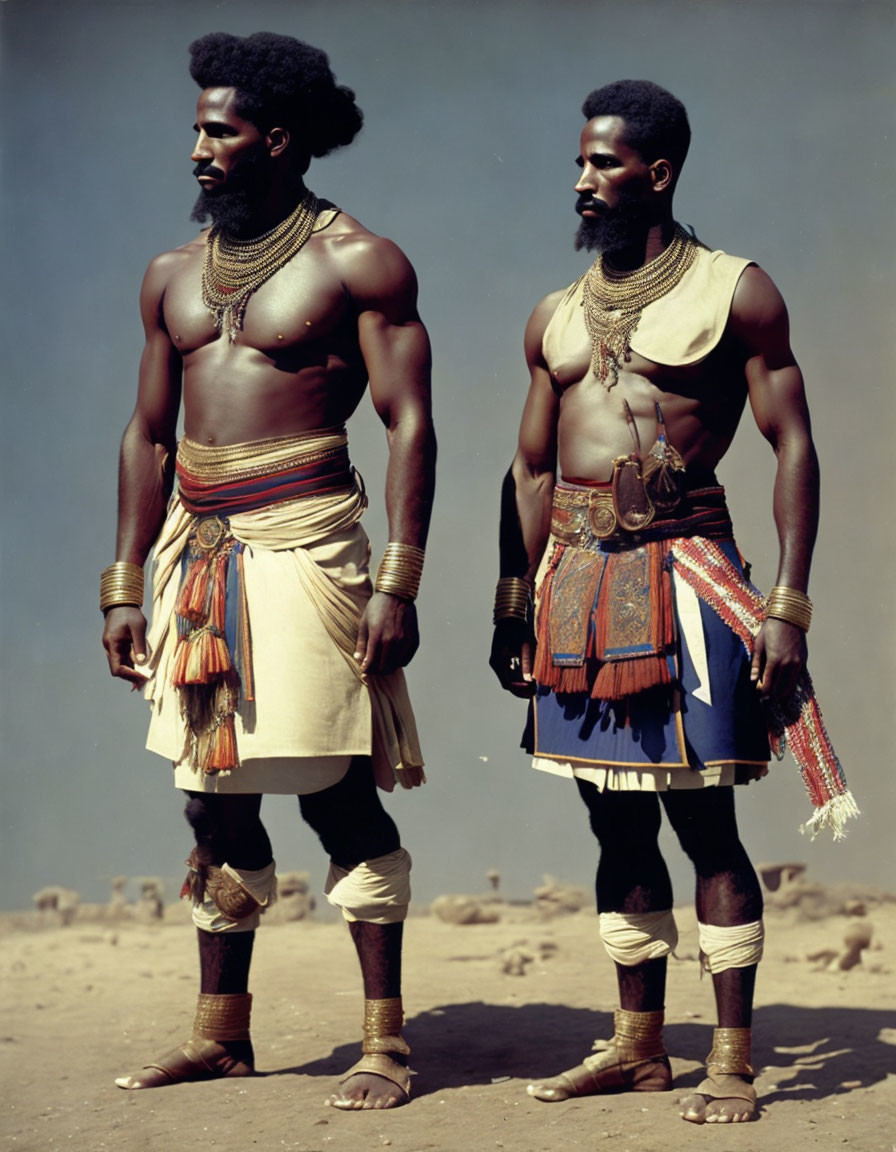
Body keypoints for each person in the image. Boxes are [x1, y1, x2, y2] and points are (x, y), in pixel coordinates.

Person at [490, 79, 852, 1125]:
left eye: (602, 163)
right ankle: (636, 1047)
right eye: (578, 162)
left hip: (685, 574)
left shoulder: (734, 291)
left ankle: (731, 1059)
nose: (581, 181)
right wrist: (512, 601)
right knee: (610, 828)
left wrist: (785, 601)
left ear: (655, 170)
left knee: (705, 825)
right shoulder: (552, 315)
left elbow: (794, 443)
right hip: (571, 587)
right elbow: (525, 471)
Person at [101, 31, 435, 1111]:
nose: (196, 147)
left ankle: (384, 1042)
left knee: (333, 788)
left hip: (308, 543)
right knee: (208, 798)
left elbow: (409, 423)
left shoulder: (358, 262)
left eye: (219, 129)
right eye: (195, 127)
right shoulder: (169, 276)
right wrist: (121, 583)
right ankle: (221, 1034)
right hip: (193, 553)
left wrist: (398, 579)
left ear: (276, 139)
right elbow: (147, 434)